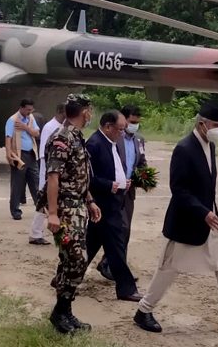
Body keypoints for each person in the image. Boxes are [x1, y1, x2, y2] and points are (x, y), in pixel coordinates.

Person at [133, 101, 218, 335]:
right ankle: (144, 310)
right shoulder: (184, 148)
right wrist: (203, 212)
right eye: (215, 125)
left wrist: (210, 212)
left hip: (210, 220)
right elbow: (179, 189)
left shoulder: (209, 146)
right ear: (202, 124)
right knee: (168, 269)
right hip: (187, 221)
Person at [40, 93, 101, 334]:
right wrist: (53, 214)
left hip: (78, 206)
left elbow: (77, 175)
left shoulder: (76, 136)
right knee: (77, 260)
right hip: (66, 209)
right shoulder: (62, 138)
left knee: (70, 260)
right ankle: (60, 311)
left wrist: (90, 200)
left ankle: (64, 311)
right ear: (85, 112)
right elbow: (53, 177)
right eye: (90, 110)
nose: (91, 114)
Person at [85, 110, 142, 301]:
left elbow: (116, 167)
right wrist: (109, 185)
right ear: (108, 126)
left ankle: (65, 277)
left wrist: (124, 181)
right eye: (120, 129)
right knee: (116, 246)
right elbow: (87, 177)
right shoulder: (94, 144)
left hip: (114, 202)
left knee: (91, 244)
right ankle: (126, 288)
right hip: (103, 204)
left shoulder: (111, 143)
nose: (123, 133)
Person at [99, 104, 147, 280]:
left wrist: (143, 177)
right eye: (131, 122)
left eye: (137, 122)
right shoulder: (114, 138)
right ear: (123, 120)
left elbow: (141, 162)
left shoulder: (139, 140)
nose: (134, 125)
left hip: (128, 192)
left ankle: (112, 265)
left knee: (124, 230)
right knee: (115, 229)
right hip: (112, 190)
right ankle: (113, 266)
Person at [31, 103, 65, 245]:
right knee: (44, 202)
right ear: (61, 112)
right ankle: (36, 233)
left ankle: (37, 232)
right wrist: (48, 173)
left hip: (55, 170)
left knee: (47, 203)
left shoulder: (61, 126)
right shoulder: (50, 127)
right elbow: (45, 153)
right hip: (48, 169)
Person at [4, 99, 40, 220]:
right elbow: (8, 138)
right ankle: (15, 211)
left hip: (31, 154)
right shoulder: (12, 120)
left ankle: (41, 208)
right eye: (28, 109)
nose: (30, 112)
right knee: (17, 184)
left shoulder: (31, 118)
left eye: (31, 109)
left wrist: (25, 127)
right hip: (19, 155)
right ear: (22, 108)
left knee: (35, 182)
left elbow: (36, 133)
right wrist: (8, 154)